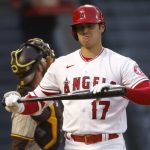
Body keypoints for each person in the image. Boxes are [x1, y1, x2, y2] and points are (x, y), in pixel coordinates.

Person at [3, 4, 150, 150]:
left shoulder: (121, 63)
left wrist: (122, 90)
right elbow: (38, 101)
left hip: (110, 143)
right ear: (75, 31)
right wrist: (19, 104)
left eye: (90, 25)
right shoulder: (61, 64)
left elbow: (147, 93)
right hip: (74, 144)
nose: (85, 31)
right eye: (80, 27)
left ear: (101, 27)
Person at [4, 38, 63, 150]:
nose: (50, 61)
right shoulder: (23, 102)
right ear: (39, 66)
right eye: (46, 59)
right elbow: (17, 146)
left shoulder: (48, 89)